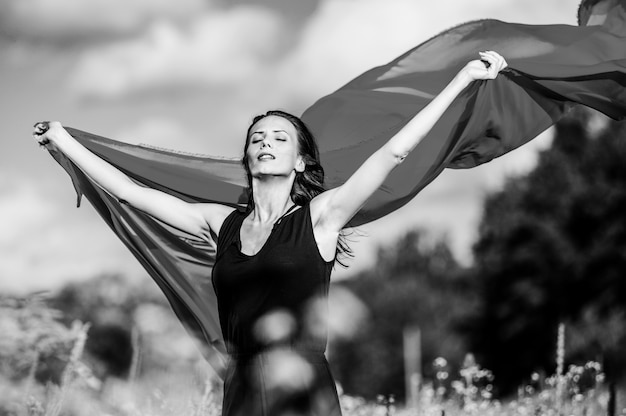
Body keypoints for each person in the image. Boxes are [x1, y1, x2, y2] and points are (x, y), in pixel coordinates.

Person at [32, 51, 507, 415]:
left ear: (300, 162)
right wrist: (65, 141)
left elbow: (392, 154)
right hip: (239, 386)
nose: (265, 142)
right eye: (257, 138)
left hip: (303, 388)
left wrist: (461, 81)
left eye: (280, 138)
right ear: (247, 159)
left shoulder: (321, 217)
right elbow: (135, 195)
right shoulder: (223, 223)